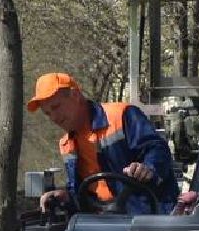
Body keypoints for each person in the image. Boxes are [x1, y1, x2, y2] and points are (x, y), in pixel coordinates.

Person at [27, 72, 179, 215]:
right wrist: (65, 197)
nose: (54, 117)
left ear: (75, 95)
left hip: (150, 215)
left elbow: (157, 149)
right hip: (103, 223)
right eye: (47, 113)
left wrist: (148, 168)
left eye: (56, 107)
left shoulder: (121, 116)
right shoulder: (66, 145)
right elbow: (81, 194)